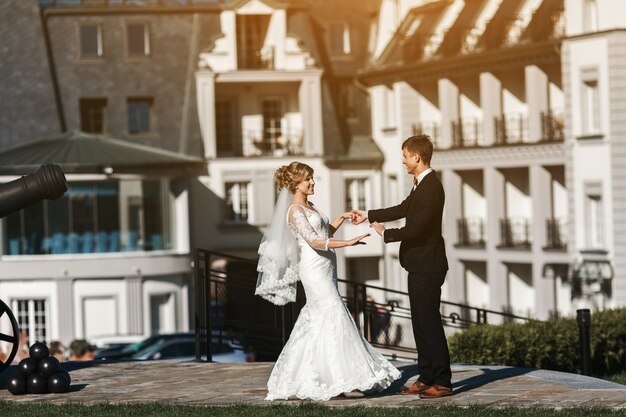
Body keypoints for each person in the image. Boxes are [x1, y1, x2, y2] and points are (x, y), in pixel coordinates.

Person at [256, 161, 400, 401]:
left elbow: (325, 233)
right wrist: (348, 243)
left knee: (322, 319)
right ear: (295, 184)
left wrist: (342, 217)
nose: (312, 182)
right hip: (313, 271)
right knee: (334, 314)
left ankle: (328, 376)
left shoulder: (310, 207)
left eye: (312, 177)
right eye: (307, 179)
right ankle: (341, 376)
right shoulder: (294, 211)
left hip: (326, 268)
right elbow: (313, 241)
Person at [352, 134, 453, 399]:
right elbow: (404, 208)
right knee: (420, 323)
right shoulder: (422, 184)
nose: (404, 161)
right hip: (418, 265)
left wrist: (387, 234)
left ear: (417, 157)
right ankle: (427, 376)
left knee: (429, 323)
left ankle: (442, 381)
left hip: (428, 266)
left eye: (406, 156)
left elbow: (417, 228)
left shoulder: (432, 187)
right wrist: (369, 215)